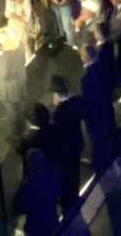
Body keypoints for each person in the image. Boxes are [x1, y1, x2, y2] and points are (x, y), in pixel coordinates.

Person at [80, 41, 116, 173]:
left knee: (97, 137)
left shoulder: (86, 79)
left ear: (86, 57)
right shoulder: (102, 66)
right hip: (105, 104)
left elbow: (87, 98)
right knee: (105, 131)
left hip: (94, 111)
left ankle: (99, 162)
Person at [49, 76, 84, 206]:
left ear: (57, 95)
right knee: (75, 173)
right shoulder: (75, 102)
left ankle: (70, 201)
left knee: (67, 177)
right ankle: (75, 195)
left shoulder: (58, 115)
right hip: (77, 143)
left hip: (66, 151)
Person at [13, 149, 61, 236]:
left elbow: (18, 206)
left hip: (34, 226)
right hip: (51, 221)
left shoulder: (28, 184)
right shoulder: (53, 173)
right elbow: (60, 191)